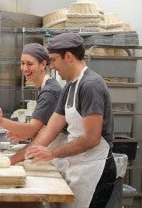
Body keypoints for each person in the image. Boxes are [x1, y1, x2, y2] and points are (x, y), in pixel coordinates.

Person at [24, 33, 116, 208]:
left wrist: (51, 153)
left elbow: (91, 138)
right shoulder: (69, 87)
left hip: (94, 168)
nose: (51, 66)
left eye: (53, 60)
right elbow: (50, 130)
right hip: (78, 165)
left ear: (68, 56)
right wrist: (17, 158)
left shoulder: (90, 85)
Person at [0, 43, 67, 166]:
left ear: (43, 64)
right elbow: (37, 129)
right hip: (51, 147)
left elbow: (32, 129)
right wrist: (22, 133)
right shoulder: (43, 88)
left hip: (59, 151)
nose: (25, 68)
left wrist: (1, 121)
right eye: (22, 63)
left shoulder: (50, 91)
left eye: (29, 64)